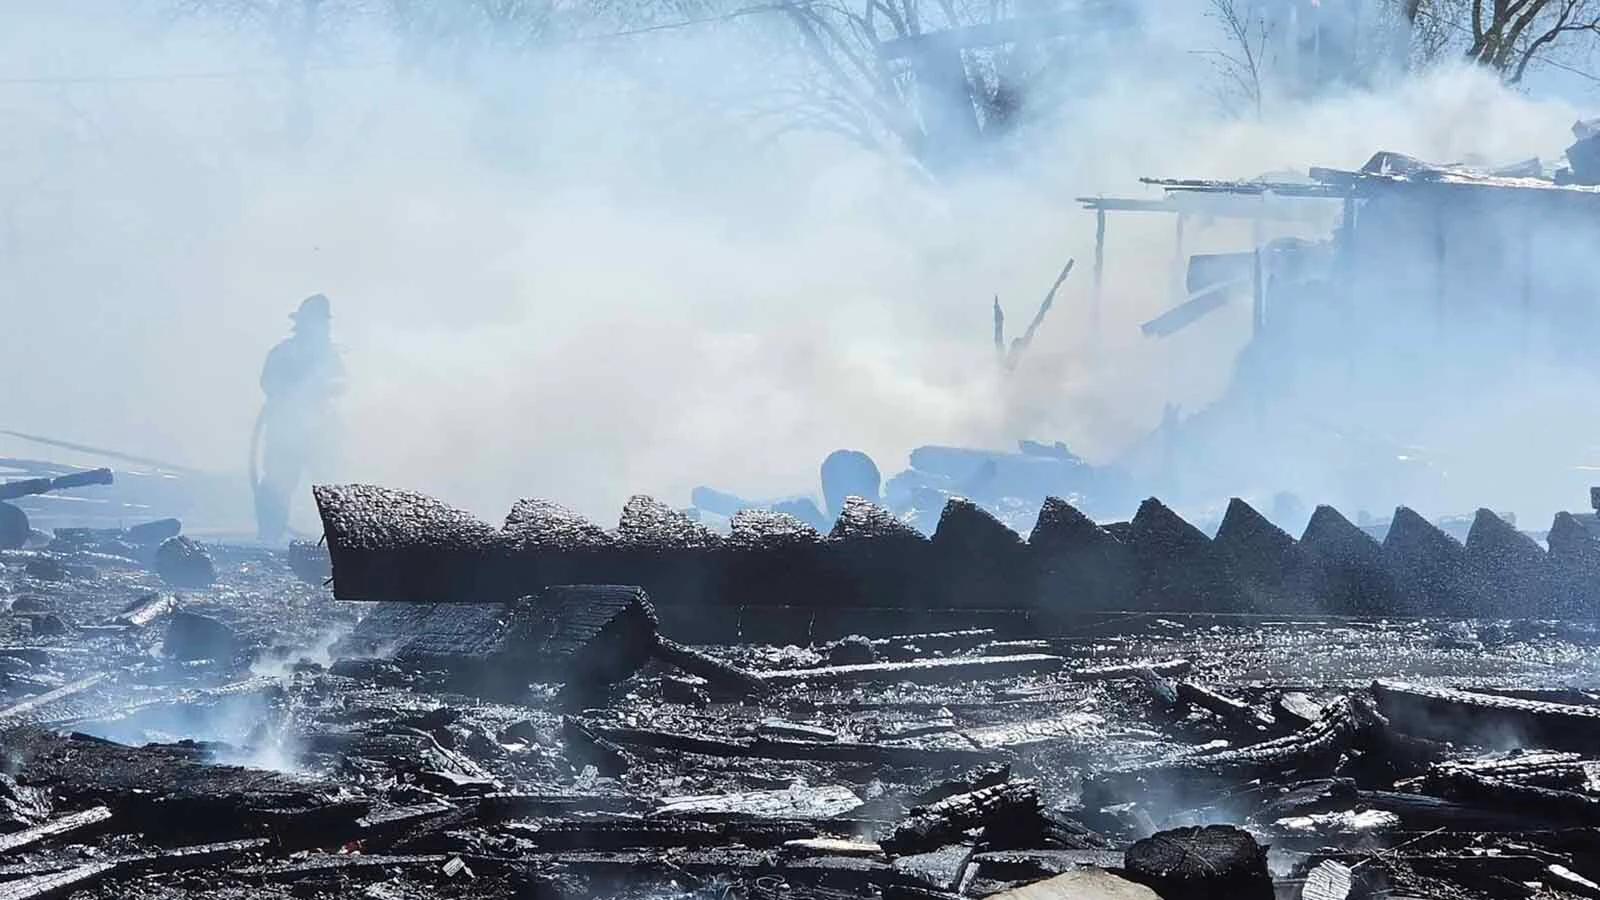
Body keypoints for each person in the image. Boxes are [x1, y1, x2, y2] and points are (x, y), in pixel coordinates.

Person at [251, 294, 345, 542]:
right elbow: (268, 383)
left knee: (331, 489)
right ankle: (269, 537)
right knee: (277, 485)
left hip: (321, 435)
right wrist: (293, 387)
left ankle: (337, 541)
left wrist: (326, 386)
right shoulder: (283, 353)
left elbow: (343, 383)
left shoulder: (330, 356)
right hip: (285, 432)